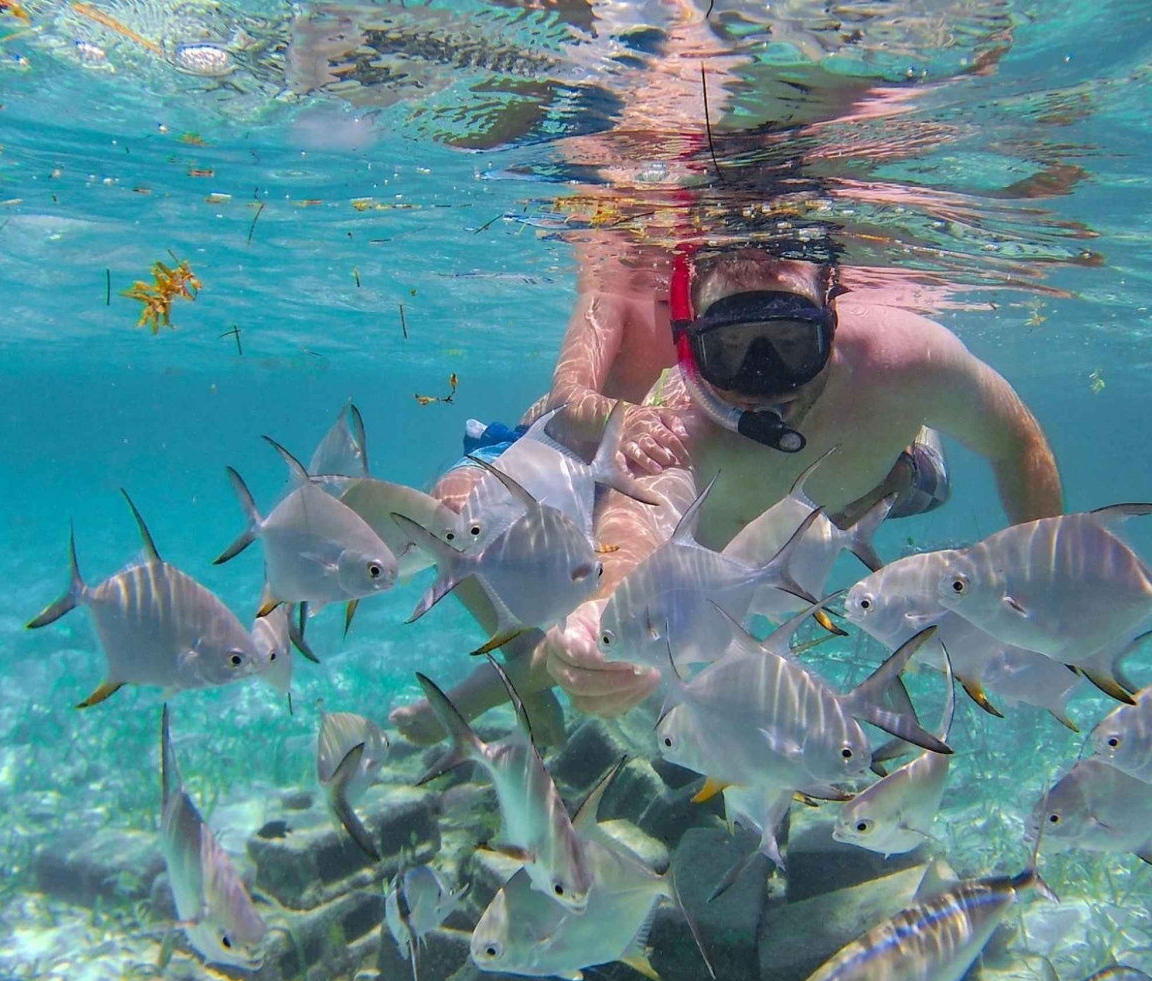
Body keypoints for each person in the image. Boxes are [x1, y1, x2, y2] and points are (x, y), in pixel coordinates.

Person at [389, 244, 1063, 742]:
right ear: (690, 342)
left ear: (833, 312)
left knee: (908, 475)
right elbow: (632, 526)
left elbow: (1020, 442)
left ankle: (902, 460)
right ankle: (516, 677)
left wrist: (1042, 583)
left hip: (858, 486)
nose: (766, 380)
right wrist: (599, 616)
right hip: (727, 535)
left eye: (790, 343)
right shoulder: (676, 411)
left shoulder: (909, 358)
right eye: (732, 350)